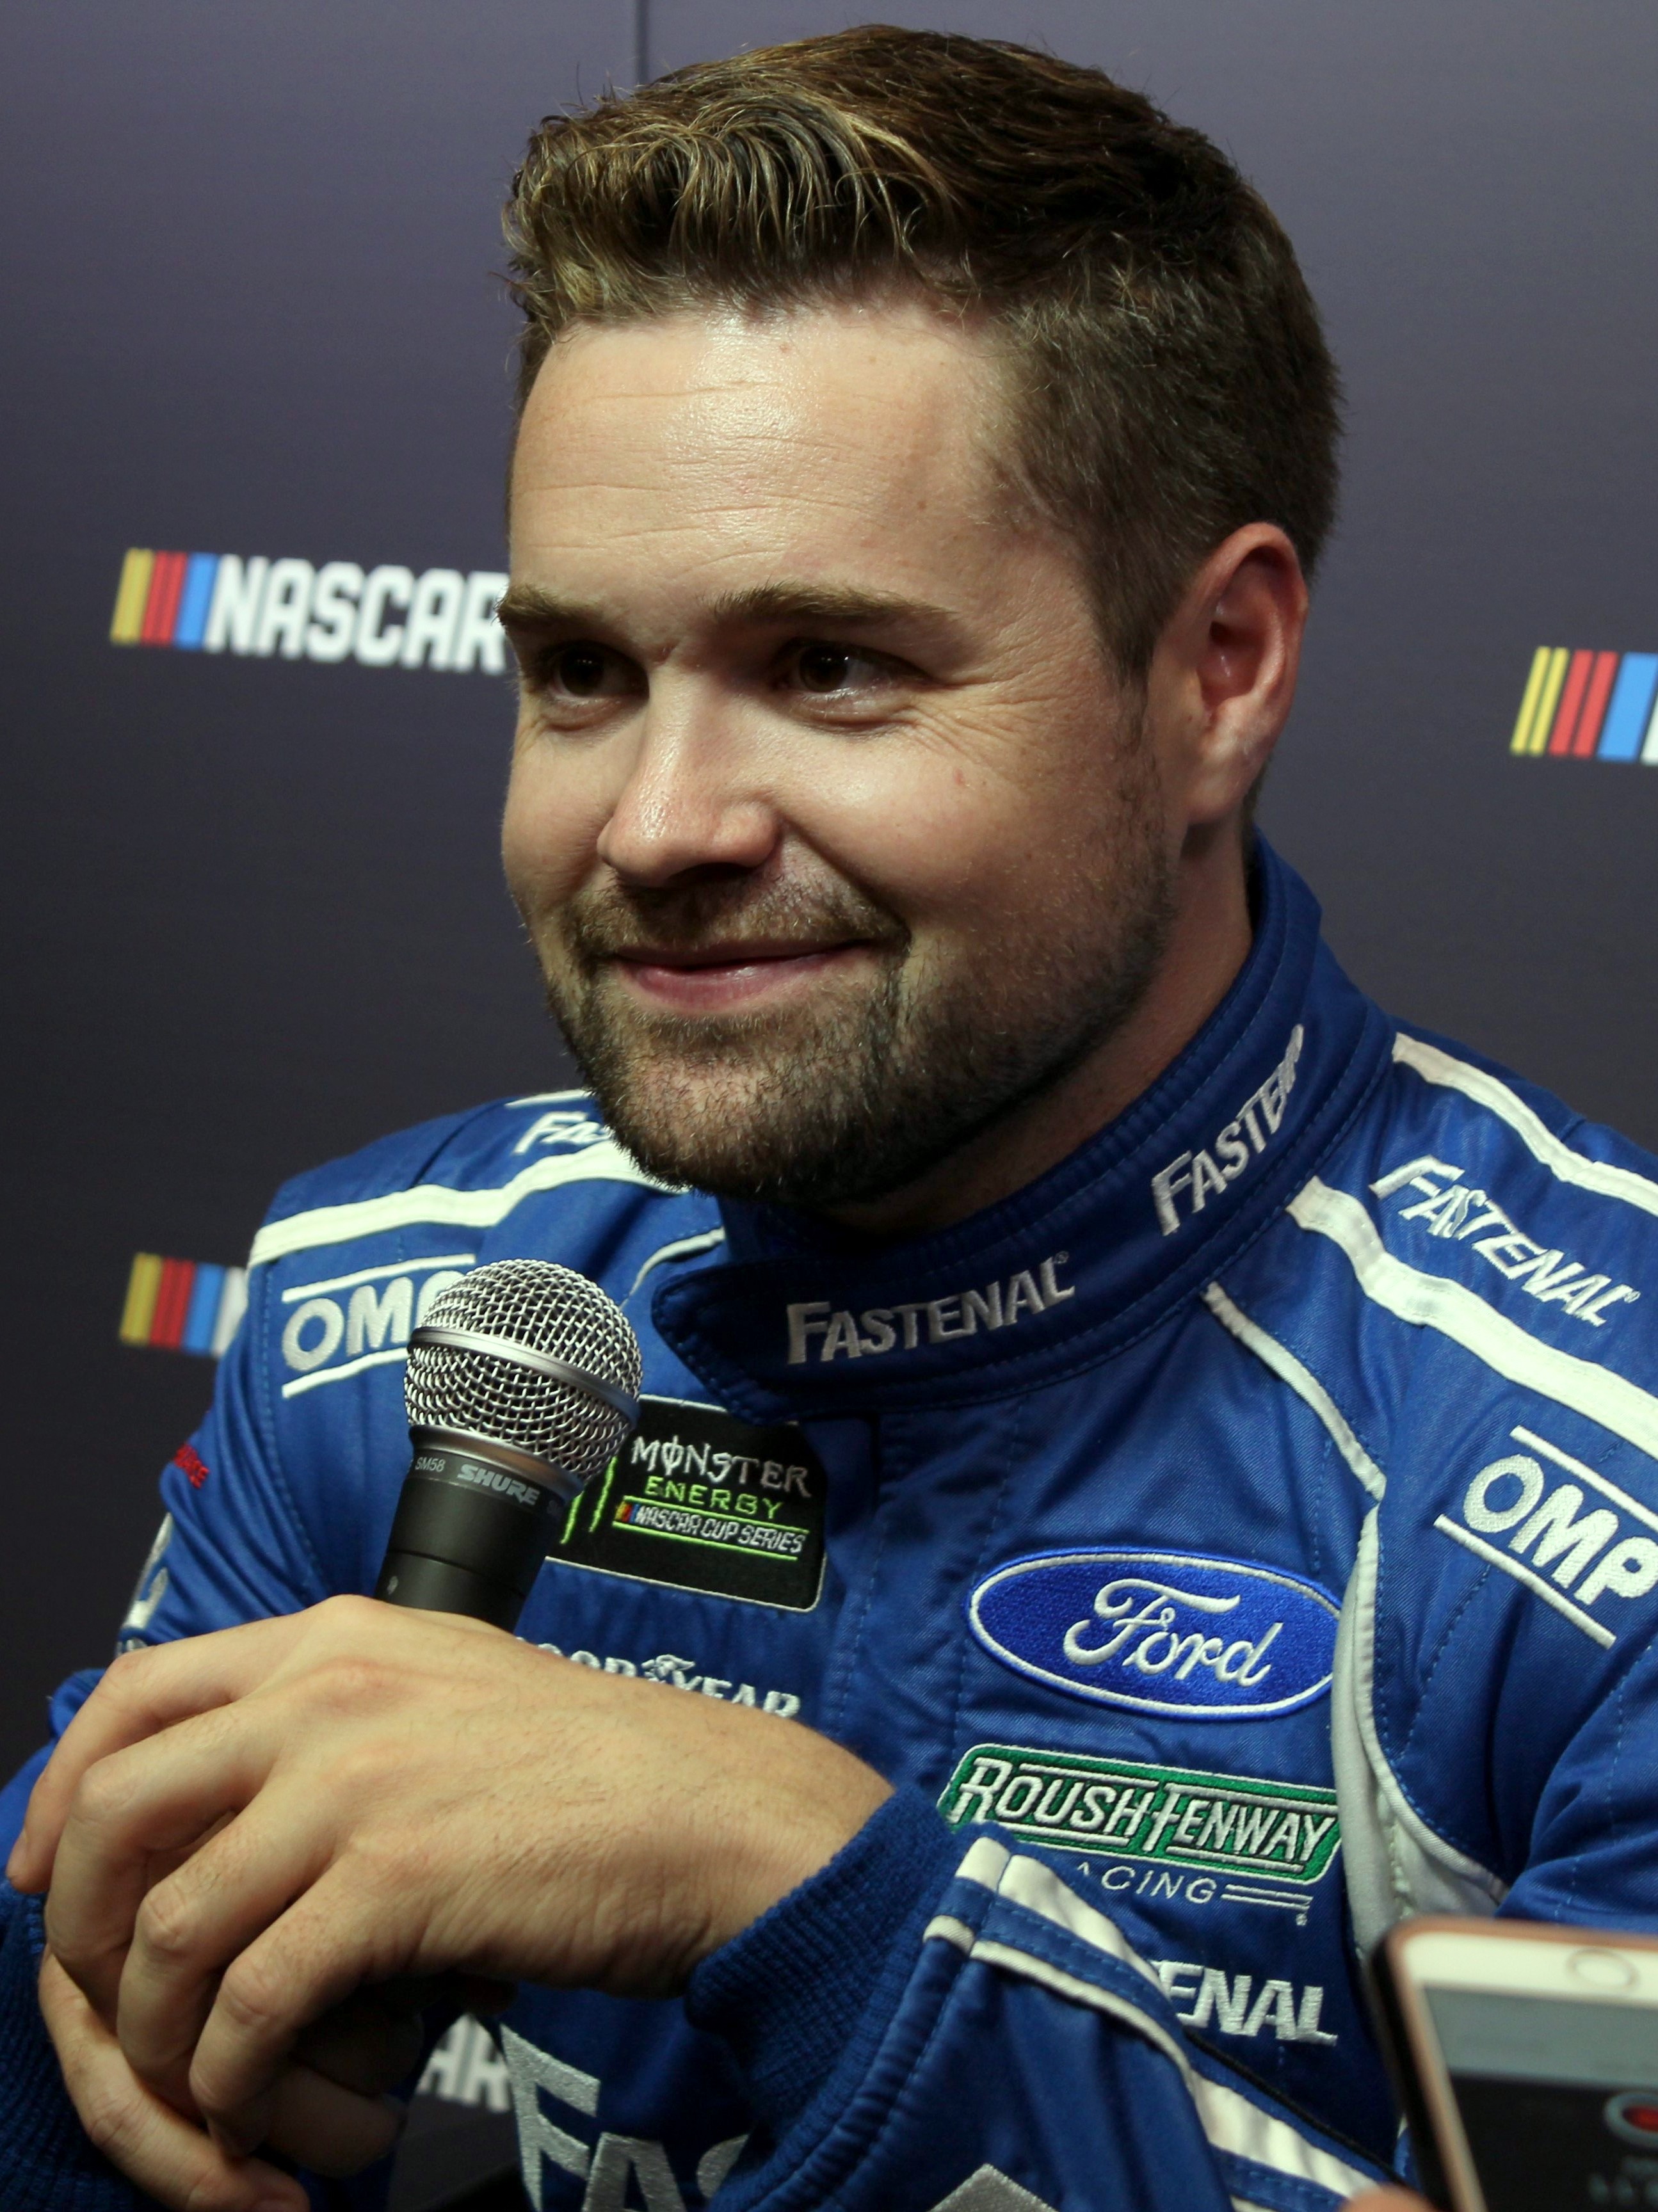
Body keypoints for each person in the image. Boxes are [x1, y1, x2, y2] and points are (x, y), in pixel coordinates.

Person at [2, 26, 1652, 2212]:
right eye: (583, 673)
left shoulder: (1593, 1470)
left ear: (1220, 670)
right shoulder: (404, 1313)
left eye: (832, 669)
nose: (656, 824)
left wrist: (795, 1885)